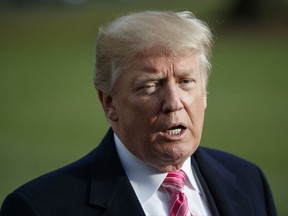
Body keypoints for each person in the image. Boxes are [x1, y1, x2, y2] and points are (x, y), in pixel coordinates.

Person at [0, 10, 277, 216]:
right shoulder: (38, 208)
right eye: (150, 85)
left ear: (204, 94)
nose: (173, 102)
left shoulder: (248, 180)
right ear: (110, 104)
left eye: (185, 82)